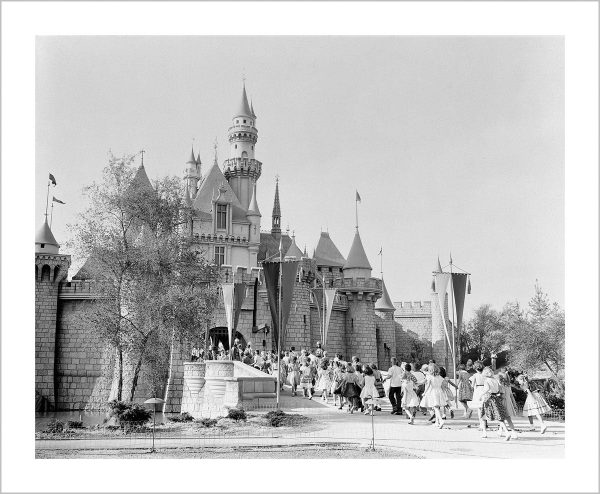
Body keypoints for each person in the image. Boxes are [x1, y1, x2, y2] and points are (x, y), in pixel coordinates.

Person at [481, 367, 516, 440]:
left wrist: (481, 395)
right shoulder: (495, 380)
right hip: (496, 398)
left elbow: (487, 389)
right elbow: (499, 390)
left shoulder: (486, 381)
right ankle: (506, 432)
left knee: (484, 416)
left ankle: (484, 432)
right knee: (499, 417)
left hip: (488, 398)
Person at [419, 363, 447, 428]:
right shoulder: (440, 377)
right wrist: (444, 394)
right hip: (439, 392)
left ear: (430, 370)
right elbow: (443, 386)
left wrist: (424, 393)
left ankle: (440, 420)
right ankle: (437, 422)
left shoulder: (430, 377)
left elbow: (428, 386)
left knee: (435, 408)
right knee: (437, 407)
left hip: (433, 392)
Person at [469, 361, 487, 433]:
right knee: (485, 407)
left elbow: (472, 386)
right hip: (485, 389)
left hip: (478, 390)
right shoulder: (485, 374)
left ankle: (481, 424)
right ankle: (485, 423)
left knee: (479, 408)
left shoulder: (475, 375)